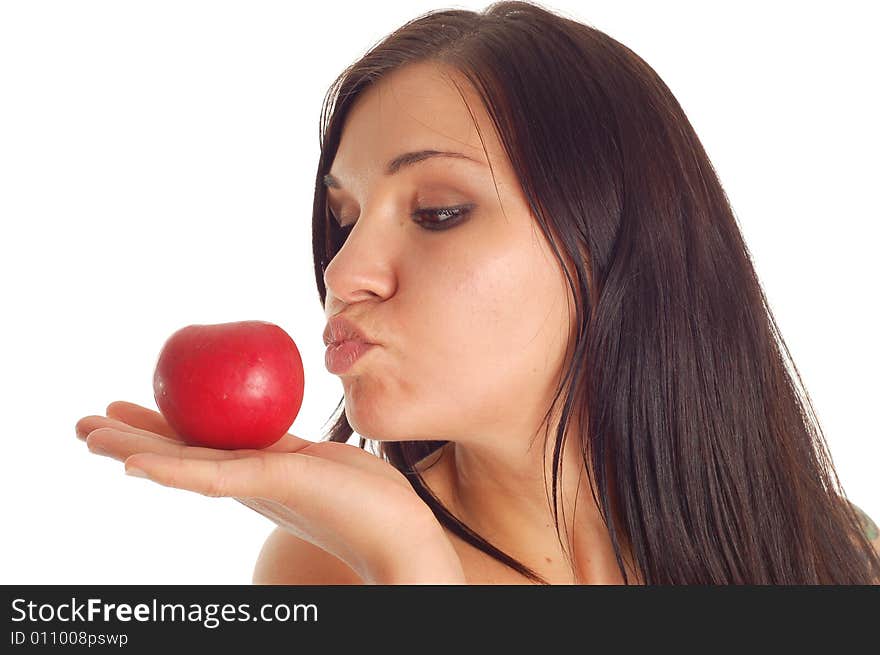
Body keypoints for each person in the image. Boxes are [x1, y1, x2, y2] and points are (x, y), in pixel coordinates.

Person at [75, 1, 880, 584]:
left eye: (438, 212)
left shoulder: (837, 552)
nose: (341, 272)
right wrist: (410, 564)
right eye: (344, 220)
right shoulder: (330, 569)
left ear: (609, 248)